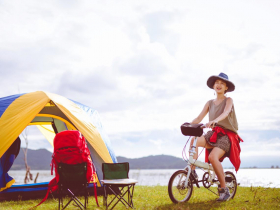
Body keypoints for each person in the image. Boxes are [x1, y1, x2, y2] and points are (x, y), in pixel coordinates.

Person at [190, 72, 243, 202]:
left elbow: (225, 113)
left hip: (227, 136)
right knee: (194, 140)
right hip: (214, 134)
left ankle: (224, 190)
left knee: (213, 157)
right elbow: (198, 118)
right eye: (217, 82)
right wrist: (188, 125)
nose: (218, 85)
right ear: (213, 86)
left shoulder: (228, 100)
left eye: (222, 83)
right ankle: (192, 172)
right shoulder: (209, 103)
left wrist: (215, 121)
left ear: (226, 88)